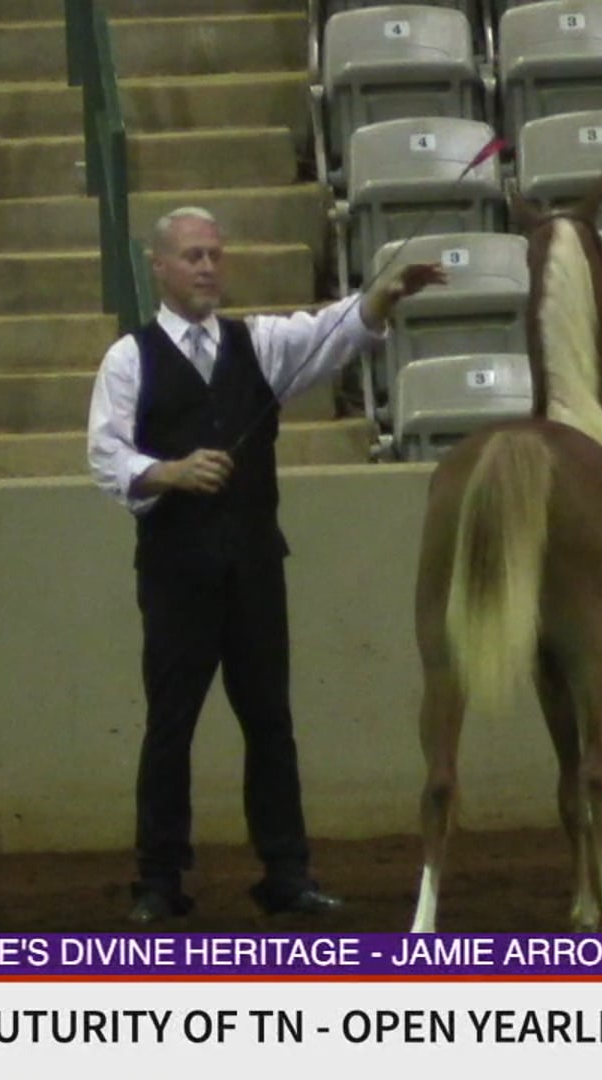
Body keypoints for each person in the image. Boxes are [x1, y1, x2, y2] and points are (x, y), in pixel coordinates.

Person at [86, 206, 445, 924]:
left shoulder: (259, 344)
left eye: (216, 253)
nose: (208, 266)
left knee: (270, 723)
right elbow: (106, 454)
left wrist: (383, 296)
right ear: (158, 267)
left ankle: (287, 874)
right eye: (192, 255)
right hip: (176, 569)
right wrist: (171, 472)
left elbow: (328, 333)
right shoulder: (130, 358)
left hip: (253, 566)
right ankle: (159, 880)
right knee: (171, 726)